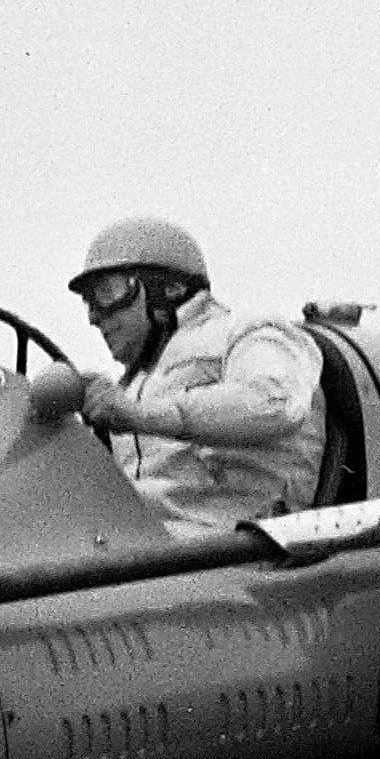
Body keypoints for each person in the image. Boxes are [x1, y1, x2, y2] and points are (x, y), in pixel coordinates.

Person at [67, 217, 328, 532]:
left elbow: (276, 402)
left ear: (170, 288)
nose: (94, 316)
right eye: (88, 302)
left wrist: (137, 415)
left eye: (107, 293)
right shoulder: (134, 383)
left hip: (235, 545)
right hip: (145, 542)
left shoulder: (249, 332)